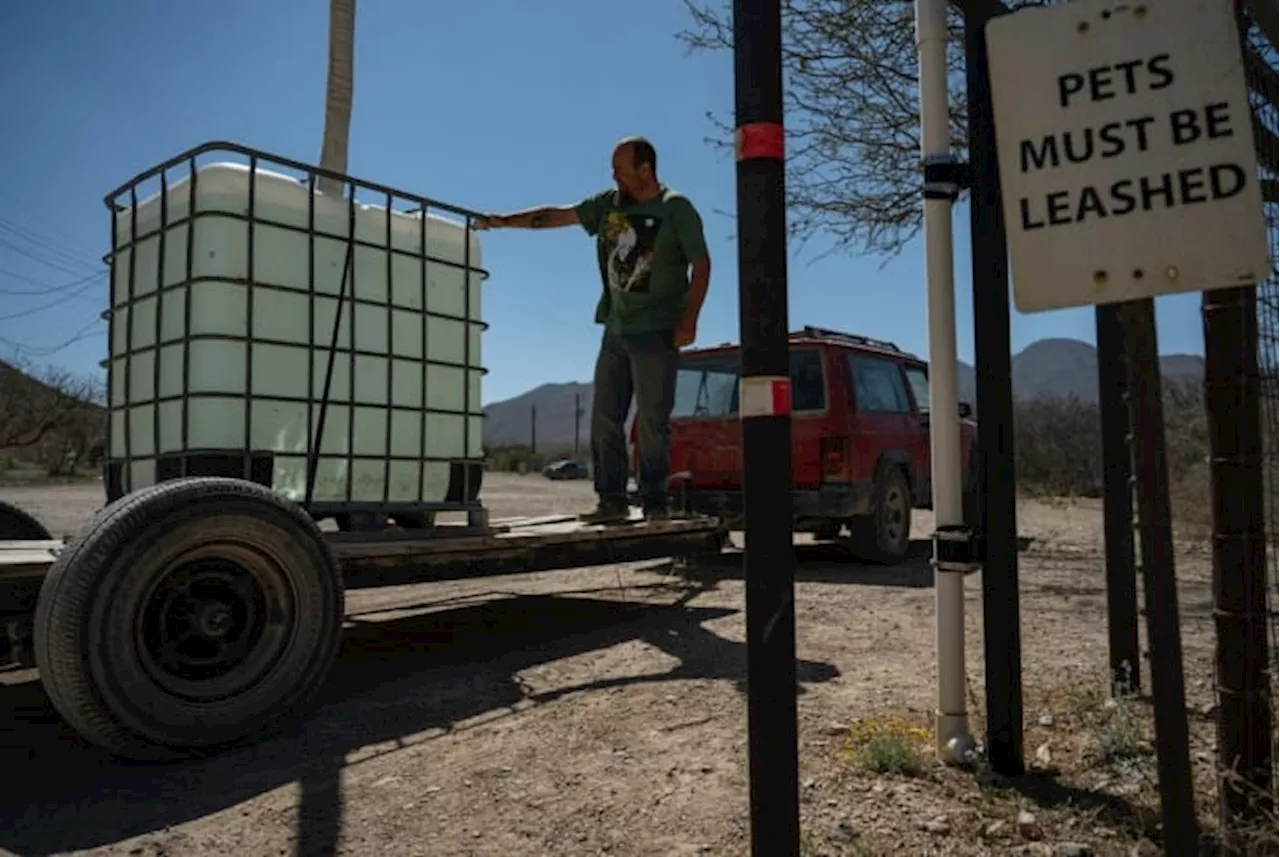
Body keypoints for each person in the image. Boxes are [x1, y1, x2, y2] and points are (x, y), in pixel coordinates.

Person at [475, 136, 711, 523]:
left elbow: (701, 264)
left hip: (658, 330)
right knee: (605, 418)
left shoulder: (675, 208)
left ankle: (655, 504)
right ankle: (611, 500)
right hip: (617, 328)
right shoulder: (609, 204)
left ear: (645, 169)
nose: (613, 175)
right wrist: (505, 222)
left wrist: (689, 320)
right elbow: (556, 216)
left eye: (620, 168)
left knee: (652, 421)